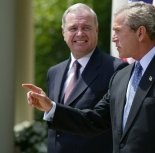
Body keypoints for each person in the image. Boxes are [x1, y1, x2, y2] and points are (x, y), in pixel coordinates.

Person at [23, 2, 155, 153]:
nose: (113, 38)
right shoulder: (122, 76)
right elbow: (95, 120)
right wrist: (51, 107)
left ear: (140, 33)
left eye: (118, 31)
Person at [32, 3, 127, 153]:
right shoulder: (54, 72)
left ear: (97, 30)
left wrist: (52, 107)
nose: (80, 33)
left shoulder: (117, 69)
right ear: (63, 32)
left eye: (86, 28)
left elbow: (104, 121)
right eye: (73, 28)